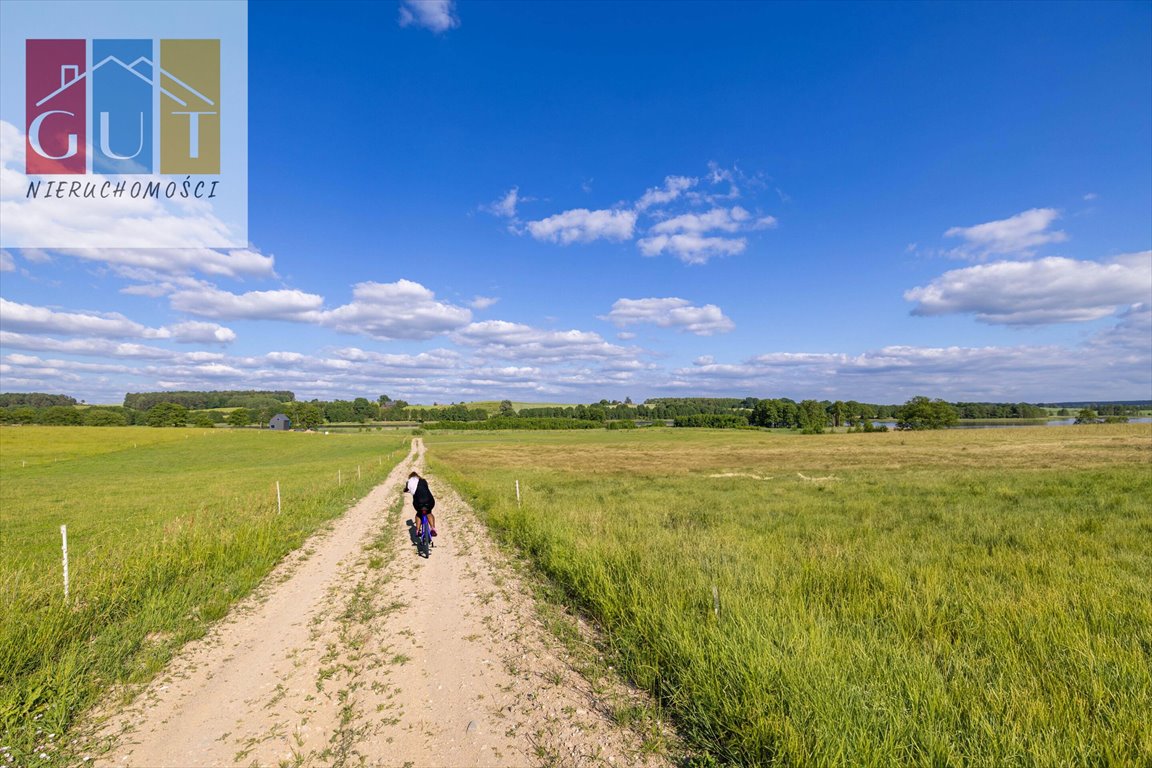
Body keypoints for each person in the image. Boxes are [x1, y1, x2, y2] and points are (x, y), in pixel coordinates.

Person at [404, 470, 437, 537]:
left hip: (418, 503)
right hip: (429, 500)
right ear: (417, 476)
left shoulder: (408, 482)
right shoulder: (423, 480)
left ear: (410, 477)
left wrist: (407, 490)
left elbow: (406, 489)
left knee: (419, 513)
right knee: (429, 512)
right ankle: (433, 529)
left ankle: (417, 531)